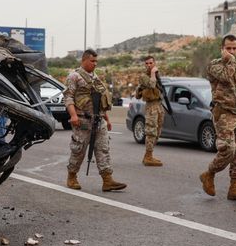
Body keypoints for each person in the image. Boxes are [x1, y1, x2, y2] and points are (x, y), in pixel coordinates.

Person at [64, 49, 127, 192]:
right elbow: (68, 97)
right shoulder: (74, 76)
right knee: (78, 150)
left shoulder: (96, 78)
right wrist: (73, 115)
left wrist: (107, 119)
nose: (95, 64)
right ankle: (72, 176)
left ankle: (107, 180)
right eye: (92, 61)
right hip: (82, 120)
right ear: (84, 60)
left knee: (103, 149)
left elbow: (99, 102)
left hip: (99, 120)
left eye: (96, 61)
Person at [199, 35, 236, 202]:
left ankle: (234, 188)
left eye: (234, 48)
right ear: (222, 49)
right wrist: (230, 60)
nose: (232, 51)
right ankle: (209, 173)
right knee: (228, 149)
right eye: (228, 48)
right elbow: (227, 77)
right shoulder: (215, 66)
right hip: (224, 113)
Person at [136, 56, 164, 166]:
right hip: (151, 106)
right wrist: (153, 73)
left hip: (158, 105)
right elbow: (151, 85)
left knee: (158, 131)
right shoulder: (143, 76)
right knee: (151, 131)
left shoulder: (157, 75)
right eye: (146, 63)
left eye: (151, 63)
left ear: (154, 63)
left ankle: (149, 155)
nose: (149, 65)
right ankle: (148, 156)